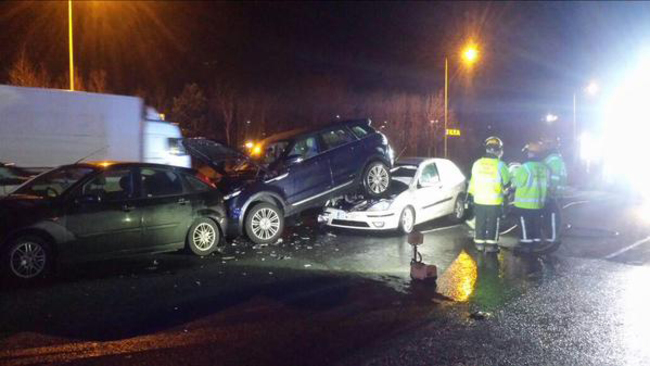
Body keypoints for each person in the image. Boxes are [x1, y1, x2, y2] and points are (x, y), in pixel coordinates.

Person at [468, 136, 511, 253]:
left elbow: (473, 182)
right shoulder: (501, 165)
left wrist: (470, 196)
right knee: (492, 223)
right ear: (498, 150)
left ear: (486, 149)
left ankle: (479, 245)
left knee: (480, 222)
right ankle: (490, 246)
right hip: (494, 201)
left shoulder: (477, 163)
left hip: (479, 200)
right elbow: (507, 183)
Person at [512, 142, 550, 251]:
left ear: (530, 153)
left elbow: (517, 183)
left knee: (525, 225)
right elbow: (547, 185)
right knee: (536, 225)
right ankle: (536, 244)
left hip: (524, 204)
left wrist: (513, 176)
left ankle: (525, 246)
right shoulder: (545, 168)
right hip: (539, 203)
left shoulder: (525, 168)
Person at [542, 138, 568, 244]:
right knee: (553, 217)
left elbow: (554, 177)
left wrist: (550, 190)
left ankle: (551, 240)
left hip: (553, 194)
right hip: (557, 193)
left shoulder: (552, 159)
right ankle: (551, 237)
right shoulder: (556, 158)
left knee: (551, 218)